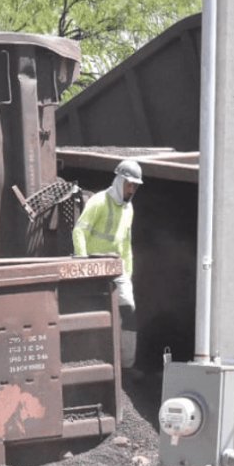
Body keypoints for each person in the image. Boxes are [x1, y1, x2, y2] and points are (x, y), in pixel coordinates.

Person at [73, 158, 143, 369]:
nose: (132, 189)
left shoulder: (128, 209)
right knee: (94, 311)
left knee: (128, 310)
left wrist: (127, 272)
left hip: (116, 268)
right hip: (94, 266)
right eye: (129, 184)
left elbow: (126, 243)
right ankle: (92, 357)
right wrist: (83, 262)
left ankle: (126, 364)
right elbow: (79, 231)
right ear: (119, 181)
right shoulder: (99, 202)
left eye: (135, 186)